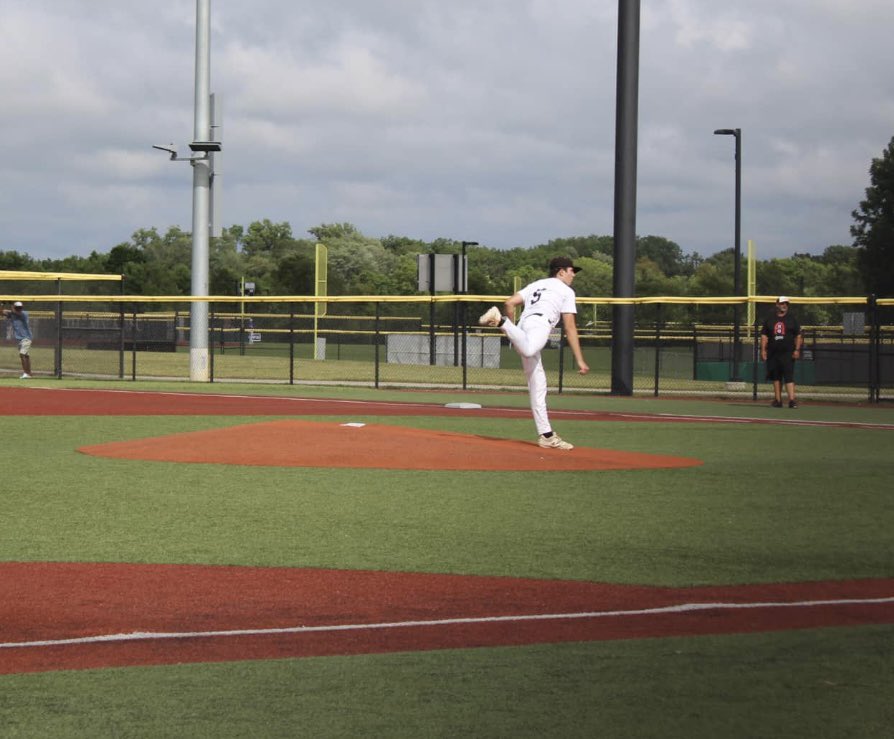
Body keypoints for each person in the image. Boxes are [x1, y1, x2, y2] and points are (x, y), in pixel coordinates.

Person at [479, 256, 590, 449]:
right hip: (540, 325)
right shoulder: (566, 291)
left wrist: (514, 332)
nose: (573, 274)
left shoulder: (537, 284)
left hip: (525, 324)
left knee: (538, 384)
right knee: (529, 349)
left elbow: (510, 303)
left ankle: (546, 435)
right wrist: (579, 359)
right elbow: (570, 327)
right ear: (561, 271)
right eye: (572, 270)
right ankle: (501, 321)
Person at [760, 295, 802, 408]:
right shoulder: (770, 319)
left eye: (786, 304)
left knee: (788, 376)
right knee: (776, 376)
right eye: (782, 304)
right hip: (773, 353)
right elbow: (764, 336)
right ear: (777, 304)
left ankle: (792, 400)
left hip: (787, 352)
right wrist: (763, 350)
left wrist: (797, 349)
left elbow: (798, 336)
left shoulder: (792, 319)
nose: (784, 306)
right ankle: (778, 400)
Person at [3, 301, 33, 379]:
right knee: (26, 356)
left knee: (22, 354)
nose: (19, 309)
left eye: (20, 307)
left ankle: (26, 373)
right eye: (18, 307)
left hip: (26, 338)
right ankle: (29, 373)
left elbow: (15, 312)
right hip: (20, 339)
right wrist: (2, 304)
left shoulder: (24, 313)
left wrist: (11, 304)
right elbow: (1, 312)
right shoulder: (12, 314)